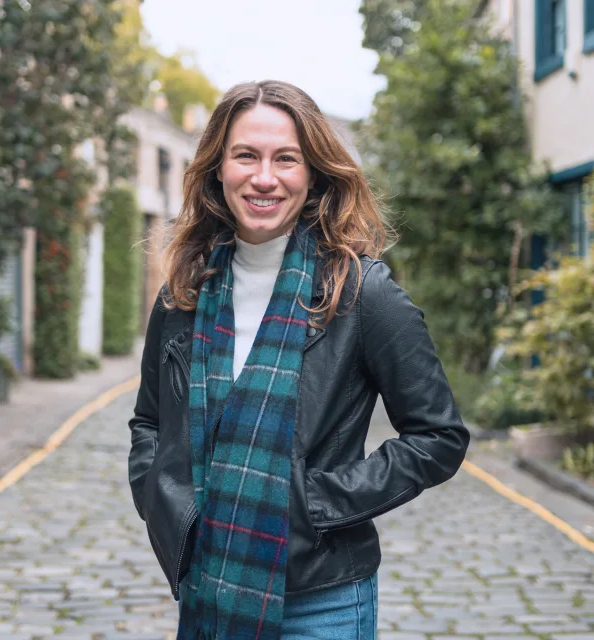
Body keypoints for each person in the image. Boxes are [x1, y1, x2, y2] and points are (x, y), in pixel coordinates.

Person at [128, 80, 470, 640]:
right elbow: (149, 422)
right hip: (206, 586)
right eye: (246, 156)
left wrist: (316, 503)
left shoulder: (362, 293)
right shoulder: (182, 295)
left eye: (286, 159)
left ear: (312, 173)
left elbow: (438, 437)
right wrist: (164, 504)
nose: (265, 178)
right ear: (218, 168)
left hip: (324, 602)